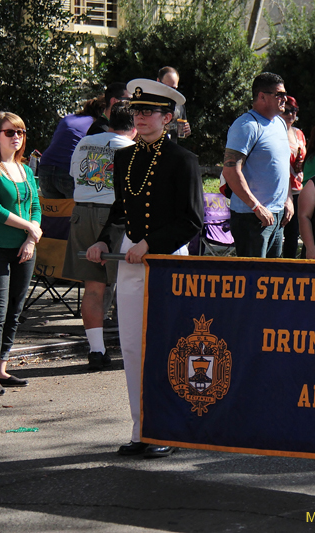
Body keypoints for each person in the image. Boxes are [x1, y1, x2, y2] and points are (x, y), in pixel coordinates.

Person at [86, 79, 203, 458]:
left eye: (149, 112)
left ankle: (167, 428)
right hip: (130, 259)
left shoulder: (182, 160)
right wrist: (104, 240)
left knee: (166, 346)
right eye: (136, 111)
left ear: (167, 118)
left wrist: (150, 245)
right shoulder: (124, 157)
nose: (141, 117)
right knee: (133, 345)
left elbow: (192, 221)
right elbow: (120, 211)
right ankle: (142, 429)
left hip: (166, 261)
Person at [63, 103, 136, 371]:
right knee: (126, 284)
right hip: (113, 217)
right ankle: (131, 347)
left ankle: (96, 349)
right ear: (135, 127)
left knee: (93, 287)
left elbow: (75, 175)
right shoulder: (129, 148)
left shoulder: (85, 143)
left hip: (81, 213)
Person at [0, 112, 41, 396]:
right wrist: (29, 226)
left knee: (15, 310)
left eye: (21, 132)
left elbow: (37, 206)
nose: (16, 137)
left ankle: (3, 368)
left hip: (25, 248)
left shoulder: (26, 170)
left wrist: (31, 237)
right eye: (9, 132)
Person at [222, 72, 293, 258]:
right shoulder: (246, 126)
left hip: (277, 216)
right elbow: (230, 171)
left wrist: (289, 199)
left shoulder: (279, 123)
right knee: (252, 280)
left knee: (271, 280)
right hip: (252, 217)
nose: (285, 99)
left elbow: (282, 167)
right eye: (279, 94)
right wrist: (256, 207)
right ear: (261, 96)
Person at [38, 97, 106, 199]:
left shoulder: (68, 118)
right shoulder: (96, 125)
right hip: (67, 169)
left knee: (55, 212)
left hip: (45, 166)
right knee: (75, 211)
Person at [281, 96, 306, 259]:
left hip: (299, 189)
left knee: (293, 234)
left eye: (294, 111)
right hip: (282, 190)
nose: (291, 115)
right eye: (288, 111)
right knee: (281, 231)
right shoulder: (277, 133)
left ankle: (290, 266)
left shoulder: (299, 133)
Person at [157, 67, 191, 140]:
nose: (171, 91)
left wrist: (186, 131)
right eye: (167, 87)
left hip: (171, 148)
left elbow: (181, 132)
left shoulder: (179, 103)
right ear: (158, 81)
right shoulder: (149, 102)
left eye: (174, 88)